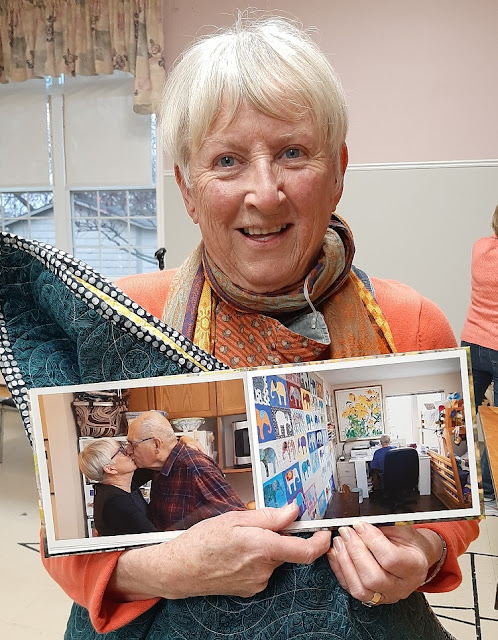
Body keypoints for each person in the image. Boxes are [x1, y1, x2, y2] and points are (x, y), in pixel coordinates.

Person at [42, 16, 479, 639]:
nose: (265, 193)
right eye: (227, 161)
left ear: (339, 170)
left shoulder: (408, 321)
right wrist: (165, 569)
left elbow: (459, 503)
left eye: (293, 153)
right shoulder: (120, 321)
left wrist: (424, 552)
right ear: (187, 189)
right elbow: (61, 533)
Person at [127, 411, 247, 529]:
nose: (128, 450)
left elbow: (240, 521)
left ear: (156, 445)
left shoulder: (195, 469)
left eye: (133, 444)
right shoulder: (156, 466)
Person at [461, 204, 498, 509]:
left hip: (472, 340)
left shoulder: (479, 247)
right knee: (496, 425)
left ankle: (460, 480)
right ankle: (488, 491)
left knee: (462, 415)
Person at [78, 438, 157, 536]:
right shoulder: (116, 501)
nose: (129, 451)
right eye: (121, 451)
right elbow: (154, 537)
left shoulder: (121, 483)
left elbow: (156, 463)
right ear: (110, 469)